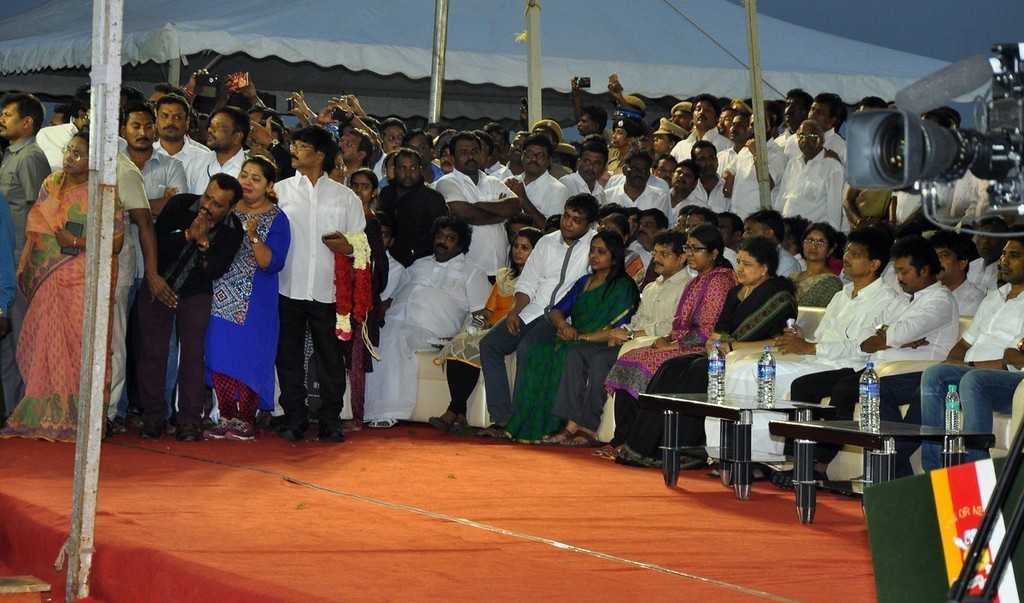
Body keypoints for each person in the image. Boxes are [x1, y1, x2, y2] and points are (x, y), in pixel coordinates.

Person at [615, 235, 798, 467]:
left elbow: (780, 340)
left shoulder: (778, 295)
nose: (739, 268)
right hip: (723, 353)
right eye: (739, 262)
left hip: (753, 356)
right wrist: (714, 342)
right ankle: (644, 446)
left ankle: (689, 451)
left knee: (696, 371)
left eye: (747, 264)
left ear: (764, 268)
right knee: (671, 367)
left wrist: (731, 346)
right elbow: (720, 331)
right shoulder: (737, 292)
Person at [2, 131, 124, 441]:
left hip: (84, 278)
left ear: (94, 160)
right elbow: (36, 226)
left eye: (79, 154)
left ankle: (81, 417)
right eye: (69, 150)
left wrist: (76, 241)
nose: (70, 157)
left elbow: (116, 241)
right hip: (48, 277)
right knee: (40, 341)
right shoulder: (51, 183)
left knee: (82, 346)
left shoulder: (103, 191)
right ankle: (44, 414)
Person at [549, 229, 692, 448]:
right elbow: (638, 319)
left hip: (655, 346)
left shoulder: (688, 287)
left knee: (601, 360)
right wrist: (621, 331)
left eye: (664, 254)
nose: (656, 259)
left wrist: (632, 335)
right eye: (655, 253)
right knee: (576, 352)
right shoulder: (653, 286)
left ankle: (589, 427)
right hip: (632, 342)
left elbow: (671, 327)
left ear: (682, 258)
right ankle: (571, 424)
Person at [478, 193, 600, 436]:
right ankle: (502, 418)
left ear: (589, 225)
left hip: (562, 316)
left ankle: (520, 422)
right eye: (566, 216)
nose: (568, 223)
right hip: (532, 309)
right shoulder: (546, 242)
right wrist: (514, 312)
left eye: (577, 220)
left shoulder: (595, 247)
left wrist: (566, 320)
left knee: (528, 348)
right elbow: (528, 283)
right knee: (489, 344)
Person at [135, 174, 244, 441]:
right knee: (152, 352)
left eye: (217, 204)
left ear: (230, 208)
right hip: (158, 283)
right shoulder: (181, 205)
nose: (207, 206)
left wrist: (204, 241)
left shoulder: (233, 229)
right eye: (207, 196)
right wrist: (187, 235)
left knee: (193, 356)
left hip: (196, 292)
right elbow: (156, 245)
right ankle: (153, 417)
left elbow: (216, 269)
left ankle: (189, 421)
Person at [275, 126, 366, 443]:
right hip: (287, 286)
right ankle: (294, 417)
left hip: (330, 293)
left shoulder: (346, 197)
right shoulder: (280, 191)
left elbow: (363, 245)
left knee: (330, 359)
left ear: (319, 155)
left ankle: (330, 420)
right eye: (295, 144)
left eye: (301, 146)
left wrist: (349, 247)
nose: (294, 150)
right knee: (288, 357)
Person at [505, 231, 640, 442]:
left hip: (602, 343)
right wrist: (563, 326)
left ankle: (558, 424)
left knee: (569, 353)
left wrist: (582, 337)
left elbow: (618, 330)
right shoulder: (584, 282)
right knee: (538, 351)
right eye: (592, 250)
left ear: (614, 257)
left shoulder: (623, 287)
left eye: (601, 252)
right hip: (574, 338)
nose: (594, 255)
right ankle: (529, 422)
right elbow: (556, 310)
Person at [363, 215, 491, 427]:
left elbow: (482, 314)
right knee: (379, 333)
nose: (442, 241)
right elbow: (392, 298)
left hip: (433, 332)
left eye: (450, 238)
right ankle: (367, 407)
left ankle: (388, 411)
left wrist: (463, 336)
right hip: (398, 320)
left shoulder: (472, 272)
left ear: (460, 245)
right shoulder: (418, 265)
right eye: (440, 235)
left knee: (395, 334)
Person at [201, 157, 290, 441]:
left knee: (252, 359)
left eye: (256, 178)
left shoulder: (277, 218)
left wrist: (253, 236)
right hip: (219, 296)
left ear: (269, 185)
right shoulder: (225, 210)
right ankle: (226, 416)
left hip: (256, 303)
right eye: (245, 175)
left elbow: (270, 263)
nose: (248, 182)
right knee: (220, 356)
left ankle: (246, 420)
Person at [429, 227, 543, 434]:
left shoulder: (540, 281)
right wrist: (472, 325)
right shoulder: (503, 276)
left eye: (525, 248)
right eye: (516, 246)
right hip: (491, 328)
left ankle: (454, 411)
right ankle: (460, 413)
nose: (518, 251)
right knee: (460, 342)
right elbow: (487, 312)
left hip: (516, 329)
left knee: (477, 345)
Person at [0, 92, 51, 416]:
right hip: (7, 255)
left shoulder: (31, 156)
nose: (2, 119)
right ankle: (9, 407)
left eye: (8, 114)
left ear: (27, 122)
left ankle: (23, 410)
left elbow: (41, 211)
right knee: (6, 341)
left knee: (18, 338)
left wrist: (30, 264)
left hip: (18, 259)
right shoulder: (10, 155)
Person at [339, 167, 389, 432]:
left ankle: (356, 415)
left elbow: (379, 266)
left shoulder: (372, 223)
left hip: (360, 301)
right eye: (354, 185)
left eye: (365, 186)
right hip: (335, 296)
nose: (358, 191)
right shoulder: (341, 218)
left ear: (374, 192)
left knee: (355, 358)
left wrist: (363, 296)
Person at [790, 222, 844, 307]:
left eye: (820, 242)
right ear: (803, 244)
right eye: (810, 241)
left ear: (830, 250)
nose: (813, 246)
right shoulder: (792, 277)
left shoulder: (832, 283)